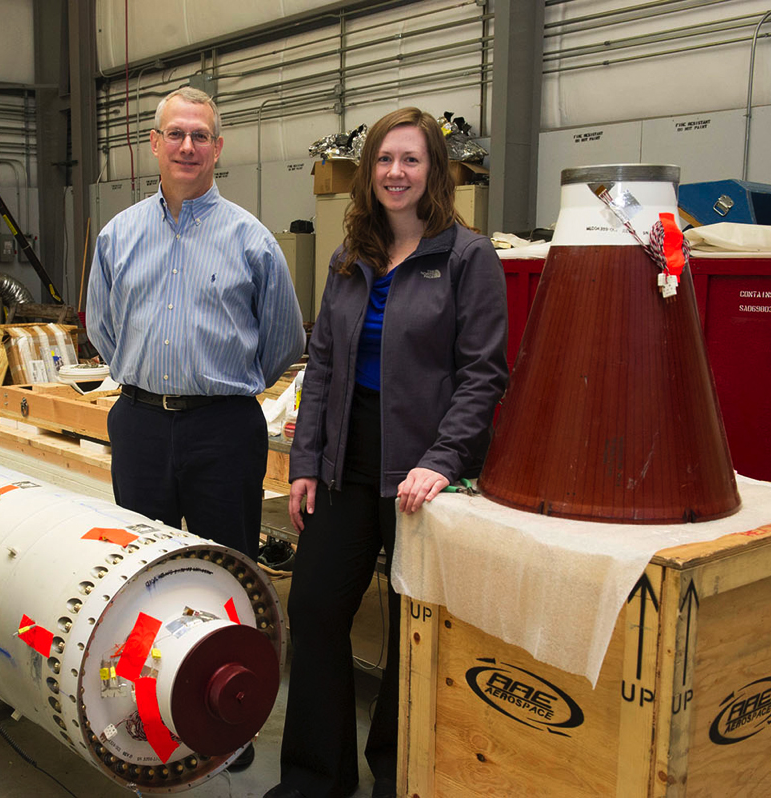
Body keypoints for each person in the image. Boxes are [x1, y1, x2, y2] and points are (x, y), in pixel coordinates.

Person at [265, 108, 509, 798]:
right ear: (367, 173)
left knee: (412, 630)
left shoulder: (467, 257)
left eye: (410, 160)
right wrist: (306, 461)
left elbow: (484, 372)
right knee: (314, 610)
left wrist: (443, 459)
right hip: (347, 463)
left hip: (425, 472)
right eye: (383, 160)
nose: (395, 173)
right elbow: (325, 368)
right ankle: (317, 779)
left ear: (434, 170)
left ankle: (398, 775)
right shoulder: (351, 259)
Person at [86, 87, 304, 562]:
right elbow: (101, 328)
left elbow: (286, 338)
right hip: (138, 424)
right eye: (176, 134)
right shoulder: (117, 235)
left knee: (229, 564)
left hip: (223, 430)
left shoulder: (253, 241)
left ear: (217, 147)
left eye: (200, 136)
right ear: (155, 142)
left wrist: (223, 387)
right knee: (142, 565)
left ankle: (231, 639)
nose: (188, 146)